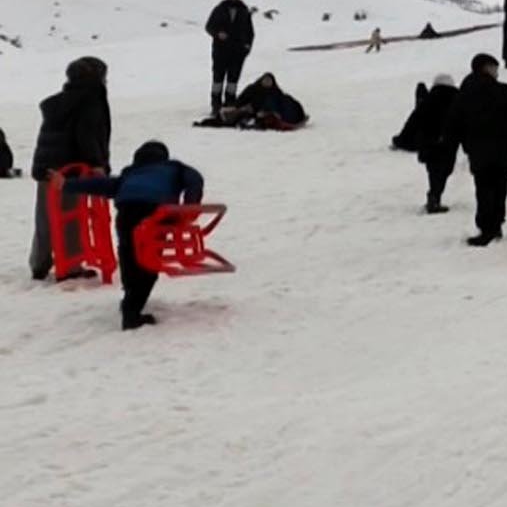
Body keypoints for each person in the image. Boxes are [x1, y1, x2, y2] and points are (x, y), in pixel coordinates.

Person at [61, 141, 204, 330]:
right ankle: (132, 312)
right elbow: (195, 179)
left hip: (127, 211)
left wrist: (67, 184)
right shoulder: (174, 167)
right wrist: (189, 207)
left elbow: (103, 185)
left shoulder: (130, 173)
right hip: (156, 213)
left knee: (129, 254)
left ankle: (130, 299)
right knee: (149, 262)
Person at [28, 57, 112, 282]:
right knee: (71, 217)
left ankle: (40, 262)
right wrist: (97, 164)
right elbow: (88, 134)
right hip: (70, 168)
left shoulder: (60, 102)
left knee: (45, 215)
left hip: (46, 165)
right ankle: (71, 265)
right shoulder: (90, 99)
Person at [443, 54, 507, 247]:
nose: (497, 72)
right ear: (486, 68)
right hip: (502, 148)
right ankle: (495, 225)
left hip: (478, 149)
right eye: (495, 68)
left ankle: (487, 228)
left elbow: (455, 120)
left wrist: (452, 144)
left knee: (483, 188)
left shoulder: (465, 91)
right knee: (500, 187)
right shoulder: (502, 90)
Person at [393, 74, 459, 212]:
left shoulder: (428, 100)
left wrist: (401, 140)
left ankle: (433, 196)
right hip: (448, 143)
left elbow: (413, 121)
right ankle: (435, 196)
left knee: (433, 170)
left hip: (428, 143)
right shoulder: (457, 99)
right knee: (444, 170)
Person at [205, 0, 255, 117]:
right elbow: (209, 27)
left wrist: (247, 48)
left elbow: (250, 32)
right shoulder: (219, 9)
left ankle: (230, 105)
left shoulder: (245, 11)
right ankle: (216, 106)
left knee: (233, 81)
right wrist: (218, 34)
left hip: (237, 53)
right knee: (218, 80)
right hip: (220, 52)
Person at [210, 73, 309, 129]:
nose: (267, 83)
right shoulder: (252, 89)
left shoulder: (275, 92)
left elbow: (280, 103)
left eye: (269, 81)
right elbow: (241, 101)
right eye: (265, 80)